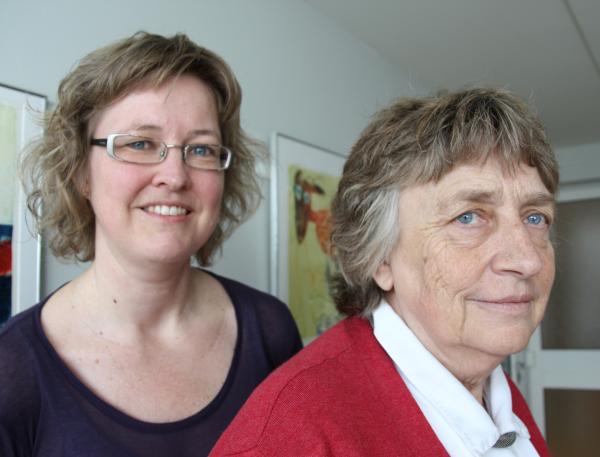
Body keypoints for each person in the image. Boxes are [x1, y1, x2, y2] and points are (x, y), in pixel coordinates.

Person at [0, 32, 302, 457]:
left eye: (201, 149)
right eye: (140, 144)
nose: (175, 176)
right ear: (81, 173)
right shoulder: (11, 373)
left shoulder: (270, 329)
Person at [210, 88, 556, 456]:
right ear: (380, 258)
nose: (528, 260)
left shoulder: (494, 387)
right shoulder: (288, 437)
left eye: (535, 217)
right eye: (468, 217)